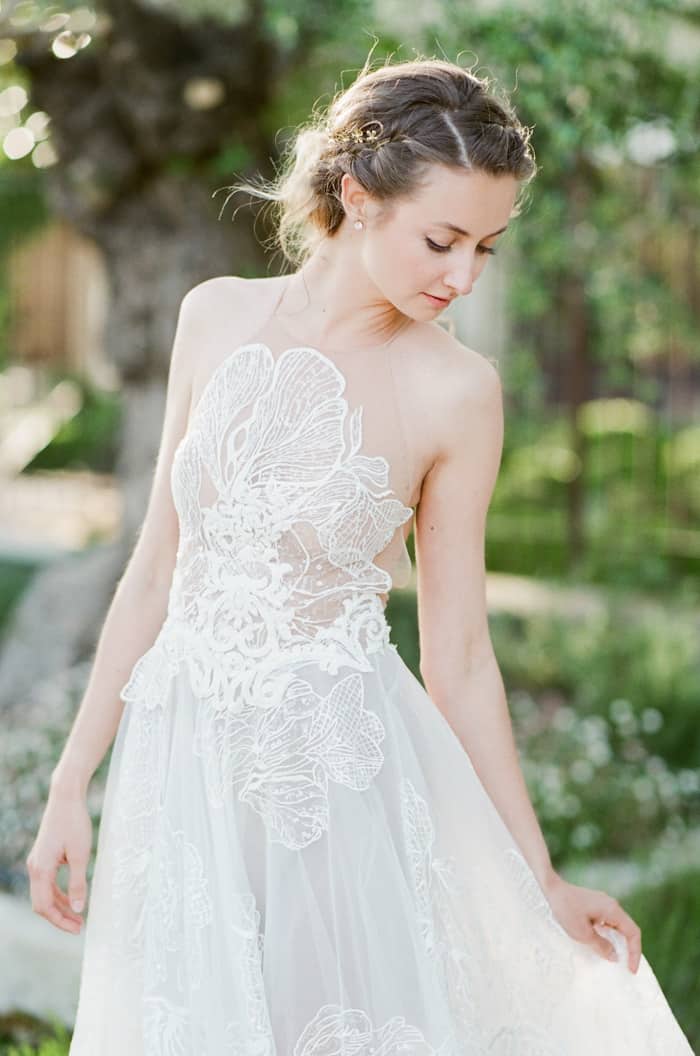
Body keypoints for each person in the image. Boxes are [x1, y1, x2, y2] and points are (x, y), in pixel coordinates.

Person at [27, 54, 694, 1055]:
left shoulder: (457, 393)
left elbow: (458, 655)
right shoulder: (211, 315)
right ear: (355, 193)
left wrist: (539, 875)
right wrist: (72, 782)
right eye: (442, 238)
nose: (461, 275)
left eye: (485, 248)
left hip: (332, 786)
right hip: (181, 767)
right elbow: (158, 569)